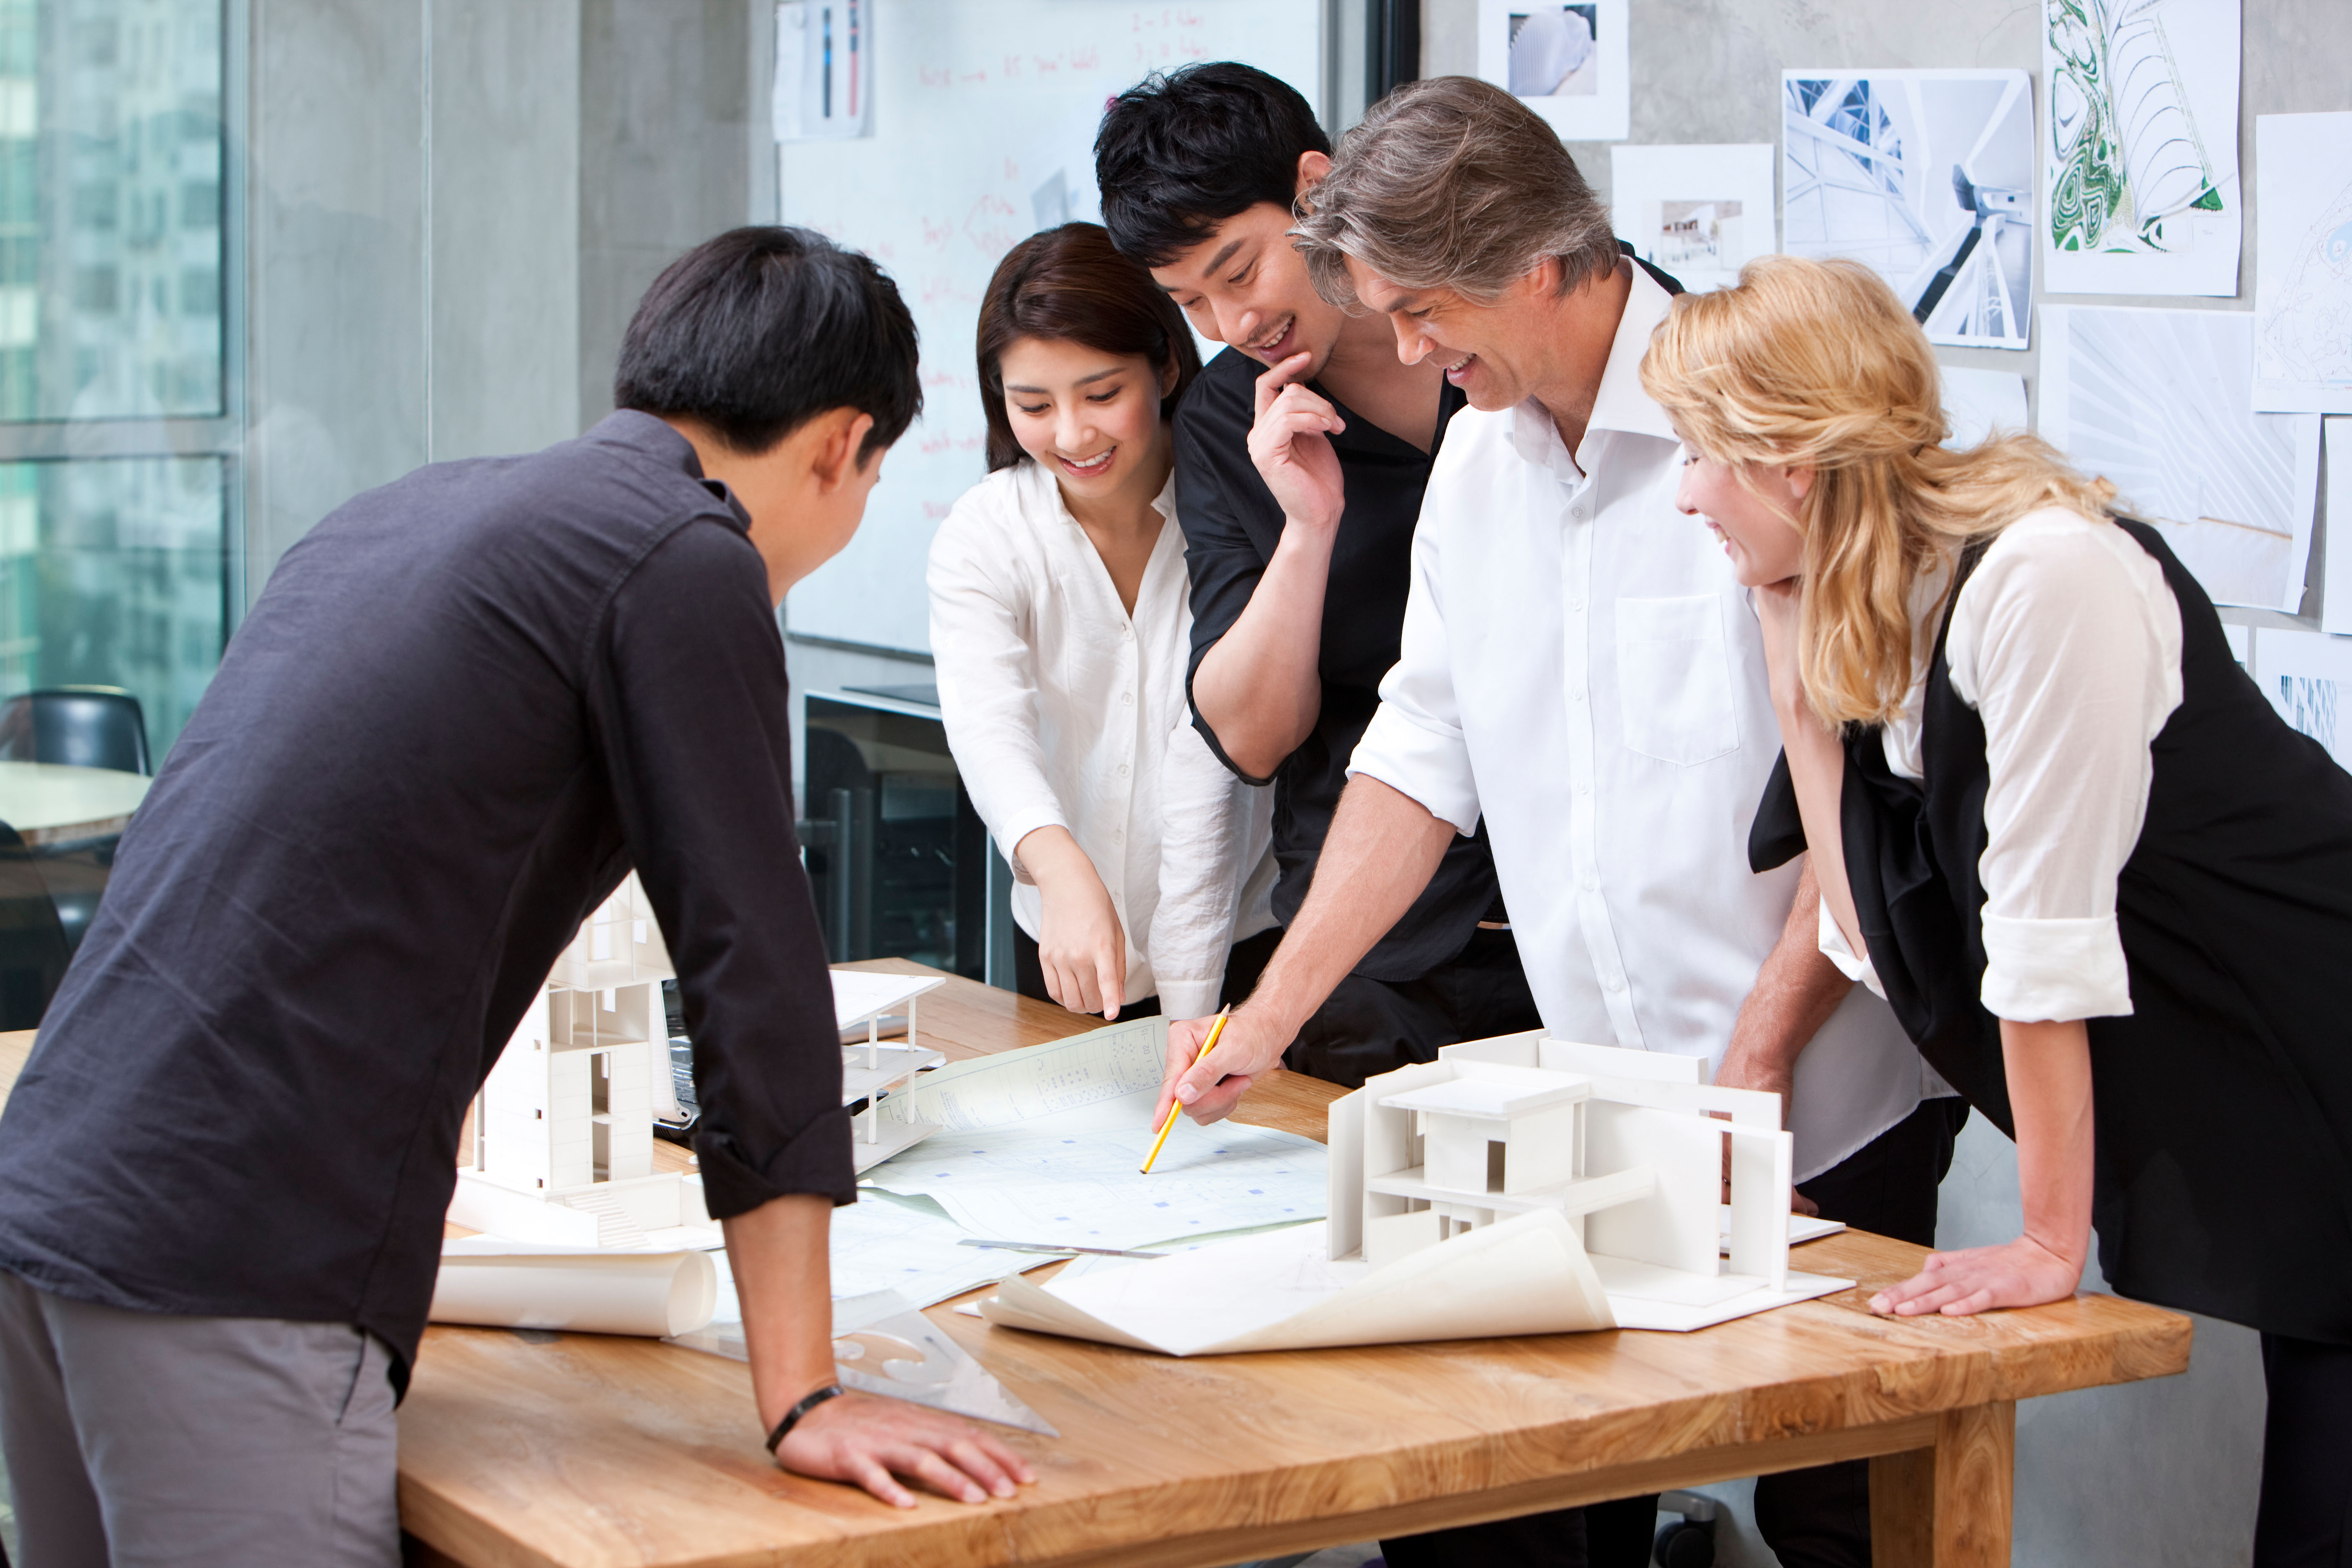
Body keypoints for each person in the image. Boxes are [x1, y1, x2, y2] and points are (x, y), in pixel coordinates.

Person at [0, 227, 1033, 1568]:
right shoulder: (685, 551)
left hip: (52, 1199)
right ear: (843, 446)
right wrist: (806, 1394)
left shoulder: (407, 510)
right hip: (231, 1258)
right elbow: (755, 973)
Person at [1152, 80, 1946, 1568]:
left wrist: (1759, 1064)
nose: (1404, 350)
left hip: (1821, 1100)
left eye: (1421, 309)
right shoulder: (1479, 456)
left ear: (1532, 266)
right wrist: (1270, 1009)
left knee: (1842, 1509)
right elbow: (1421, 751)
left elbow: (1864, 794)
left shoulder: (1758, 414)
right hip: (1598, 1114)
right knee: (1551, 1502)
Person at [1640, 253, 2352, 1568]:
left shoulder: (2041, 580)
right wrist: (1792, 682)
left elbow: (2043, 948)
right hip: (2268, 1086)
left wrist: (2041, 1240)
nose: (1686, 496)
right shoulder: (1877, 619)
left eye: (1697, 455)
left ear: (1791, 459)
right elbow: (1885, 944)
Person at [1096, 62, 1542, 1087]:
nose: (1233, 324)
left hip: (1582, 920)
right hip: (1379, 952)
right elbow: (1250, 738)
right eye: (1190, 301)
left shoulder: (1512, 345)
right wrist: (1308, 530)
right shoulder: (1222, 423)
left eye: (1239, 269)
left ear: (1315, 186)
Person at [929, 222, 1278, 1022]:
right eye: (1034, 405)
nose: (1073, 434)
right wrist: (1060, 869)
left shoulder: (1243, 505)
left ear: (1163, 364)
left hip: (1248, 940)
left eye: (1101, 394)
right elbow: (989, 728)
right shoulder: (988, 533)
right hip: (1064, 941)